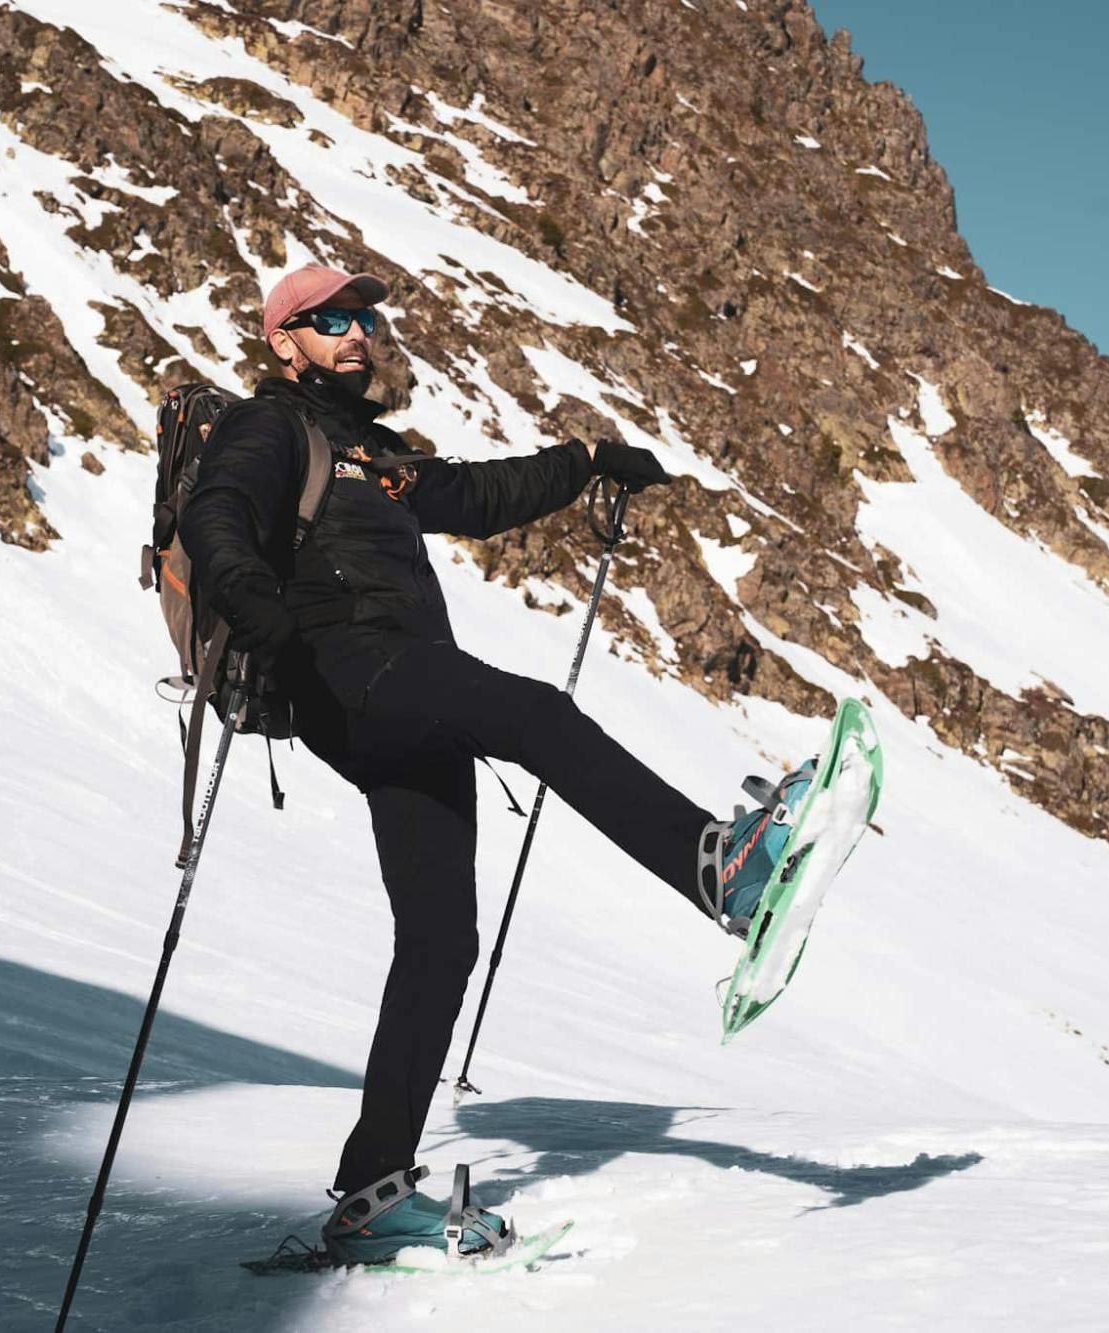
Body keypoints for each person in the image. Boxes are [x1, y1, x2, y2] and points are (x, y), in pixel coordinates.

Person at [180, 264, 806, 1264]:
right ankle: (718, 867)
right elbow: (214, 515)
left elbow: (477, 496)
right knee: (533, 714)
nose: (356, 332)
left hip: (401, 688)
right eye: (330, 319)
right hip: (345, 666)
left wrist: (586, 459)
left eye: (364, 317)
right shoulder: (270, 427)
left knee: (439, 943)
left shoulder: (370, 453)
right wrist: (258, 607)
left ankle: (371, 1196)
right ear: (282, 341)